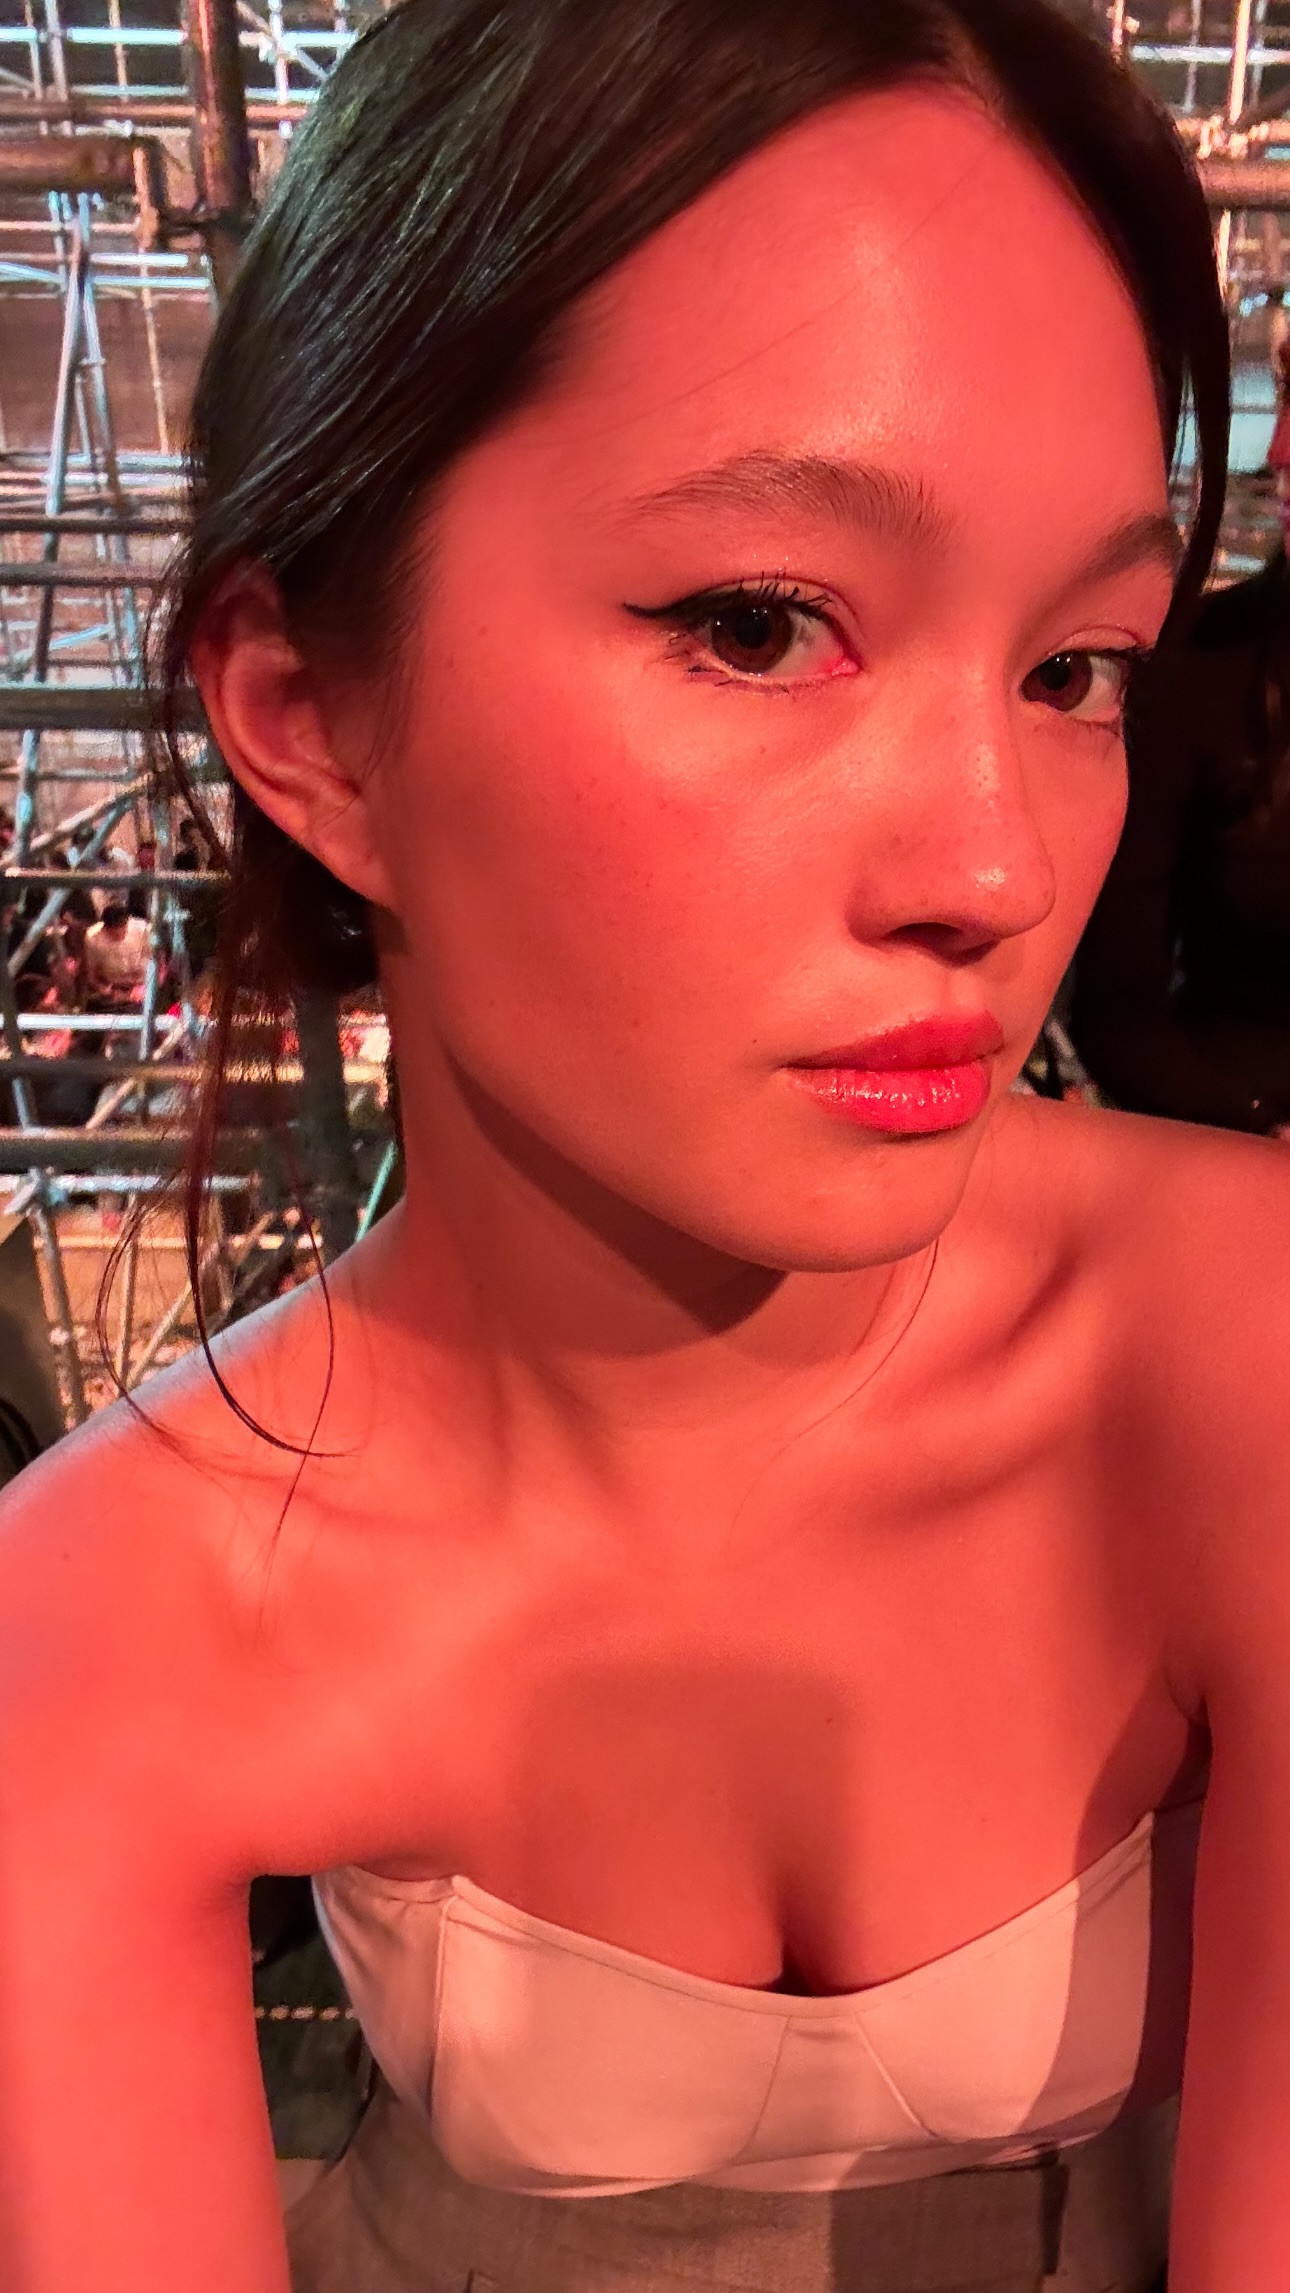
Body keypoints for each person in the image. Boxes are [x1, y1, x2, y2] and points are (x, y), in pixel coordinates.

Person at [5, 5, 1289, 2290]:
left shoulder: (1237, 1354)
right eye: (758, 624)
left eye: (1075, 667)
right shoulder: (105, 1615)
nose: (994, 868)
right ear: (311, 718)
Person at [1069, 337, 1290, 1133]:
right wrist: (1253, 1133)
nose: (1278, 453)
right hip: (1233, 1130)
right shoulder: (1200, 662)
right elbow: (1115, 1008)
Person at [81, 899, 149, 1010]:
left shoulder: (143, 929)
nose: (120, 936)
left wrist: (146, 987)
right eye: (114, 935)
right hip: (114, 992)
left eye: (124, 931)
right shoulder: (93, 937)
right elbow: (92, 975)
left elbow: (161, 966)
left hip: (143, 987)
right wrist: (107, 990)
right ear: (105, 929)